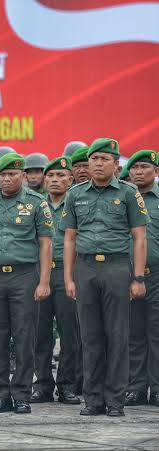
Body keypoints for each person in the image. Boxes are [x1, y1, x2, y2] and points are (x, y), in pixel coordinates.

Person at [62, 138, 148, 417]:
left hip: (116, 268)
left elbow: (139, 237)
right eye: (94, 159)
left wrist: (137, 277)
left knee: (118, 336)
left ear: (115, 164)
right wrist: (69, 278)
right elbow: (70, 238)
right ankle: (93, 399)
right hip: (85, 268)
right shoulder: (75, 194)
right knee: (90, 337)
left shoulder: (128, 193)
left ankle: (115, 401)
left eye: (104, 159)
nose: (98, 164)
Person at [0, 153, 53, 414]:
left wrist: (44, 281)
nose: (7, 179)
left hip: (24, 276)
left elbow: (46, 243)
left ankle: (22, 395)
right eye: (3, 174)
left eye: (13, 174)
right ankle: (0, 395)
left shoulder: (37, 203)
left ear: (22, 175)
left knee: (25, 337)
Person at [30, 157, 81, 405]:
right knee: (39, 333)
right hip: (38, 273)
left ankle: (67, 385)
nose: (55, 180)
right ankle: (42, 384)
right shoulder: (35, 205)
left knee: (69, 332)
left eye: (61, 176)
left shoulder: (77, 204)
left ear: (70, 180)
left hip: (67, 272)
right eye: (50, 176)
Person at [125, 150, 159, 406]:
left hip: (157, 274)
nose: (138, 172)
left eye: (144, 167)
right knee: (134, 333)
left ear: (156, 172)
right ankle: (136, 387)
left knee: (156, 332)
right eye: (134, 168)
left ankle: (156, 387)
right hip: (127, 275)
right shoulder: (123, 198)